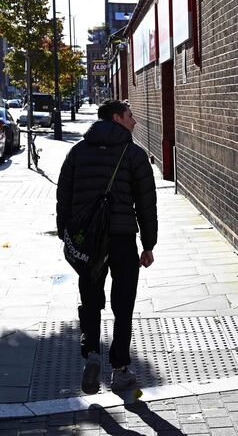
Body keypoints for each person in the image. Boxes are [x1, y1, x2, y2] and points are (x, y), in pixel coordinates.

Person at [56, 100, 157, 394]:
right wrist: (148, 243)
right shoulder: (133, 154)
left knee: (90, 298)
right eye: (130, 116)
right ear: (116, 118)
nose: (135, 121)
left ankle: (91, 355)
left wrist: (67, 234)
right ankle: (120, 368)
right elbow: (146, 203)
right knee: (122, 304)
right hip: (123, 238)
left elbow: (64, 196)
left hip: (89, 241)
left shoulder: (77, 152)